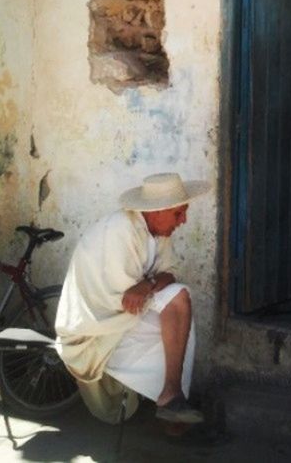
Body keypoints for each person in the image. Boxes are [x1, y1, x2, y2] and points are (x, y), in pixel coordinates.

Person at [55, 172, 210, 426]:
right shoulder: (120, 230)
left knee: (180, 308)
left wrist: (148, 283)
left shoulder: (157, 232)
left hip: (125, 318)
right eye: (178, 213)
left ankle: (172, 398)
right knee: (177, 309)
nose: (183, 220)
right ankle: (172, 406)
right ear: (158, 210)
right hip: (96, 330)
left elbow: (169, 275)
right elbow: (128, 301)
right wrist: (151, 285)